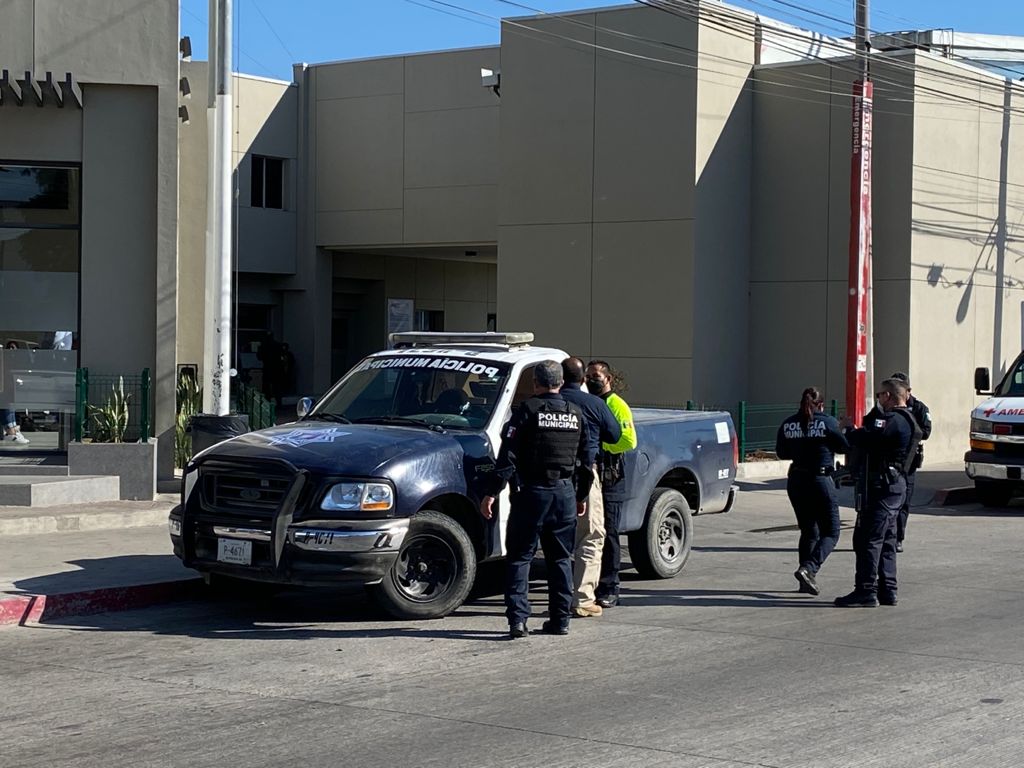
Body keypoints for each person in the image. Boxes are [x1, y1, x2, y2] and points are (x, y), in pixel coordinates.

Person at [479, 360, 592, 639]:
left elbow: (508, 457)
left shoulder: (527, 411)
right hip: (564, 494)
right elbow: (588, 462)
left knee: (520, 558)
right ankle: (560, 620)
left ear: (535, 384)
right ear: (561, 383)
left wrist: (492, 491)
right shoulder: (576, 413)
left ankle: (518, 621)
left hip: (532, 494)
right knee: (561, 560)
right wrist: (581, 496)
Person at [835, 378, 918, 608]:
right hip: (895, 486)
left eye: (881, 395)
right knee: (888, 540)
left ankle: (866, 590)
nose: (879, 399)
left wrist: (849, 428)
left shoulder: (892, 421)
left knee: (867, 540)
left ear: (889, 396)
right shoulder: (909, 419)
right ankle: (888, 590)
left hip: (883, 488)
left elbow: (867, 438)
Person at [559, 357, 621, 618]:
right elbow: (615, 435)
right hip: (584, 474)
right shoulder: (595, 404)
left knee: (553, 541)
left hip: (546, 478)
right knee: (591, 537)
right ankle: (583, 599)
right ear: (583, 379)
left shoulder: (539, 405)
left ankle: (557, 600)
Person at [775, 387, 849, 595]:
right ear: (821, 405)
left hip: (796, 480)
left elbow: (782, 452)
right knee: (832, 531)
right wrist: (844, 429)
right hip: (820, 480)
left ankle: (804, 579)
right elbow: (845, 447)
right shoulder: (828, 422)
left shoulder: (788, 423)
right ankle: (809, 569)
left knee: (808, 531)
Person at [584, 360, 637, 609]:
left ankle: (610, 587)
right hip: (593, 475)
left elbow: (628, 441)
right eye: (588, 375)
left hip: (611, 477)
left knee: (610, 533)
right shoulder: (590, 403)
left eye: (596, 375)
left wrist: (598, 445)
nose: (592, 379)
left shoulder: (617, 405)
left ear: (608, 379)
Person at [870, 372, 930, 552]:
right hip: (886, 461)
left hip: (908, 460)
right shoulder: (883, 408)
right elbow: (871, 425)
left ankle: (898, 538)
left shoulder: (919, 408)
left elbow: (925, 432)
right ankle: (886, 536)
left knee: (904, 503)